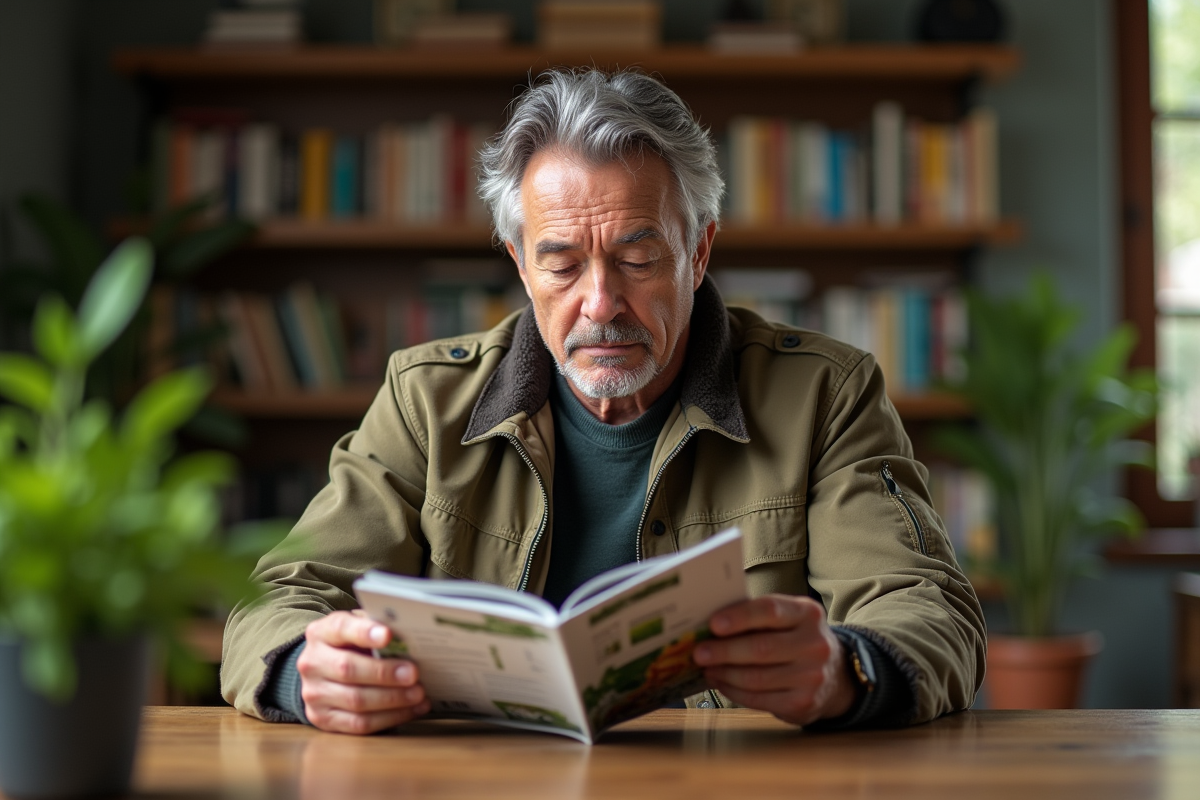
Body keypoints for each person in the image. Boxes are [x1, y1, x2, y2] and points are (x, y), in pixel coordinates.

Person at [221, 69, 985, 735]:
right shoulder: (427, 400)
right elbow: (275, 601)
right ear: (521, 265)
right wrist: (303, 670)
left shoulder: (824, 394)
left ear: (699, 251)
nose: (600, 303)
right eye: (561, 264)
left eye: (638, 257)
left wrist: (847, 670)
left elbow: (930, 611)